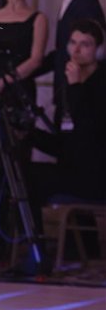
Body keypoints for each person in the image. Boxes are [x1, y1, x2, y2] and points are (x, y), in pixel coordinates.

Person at [30, 19, 106, 209]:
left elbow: (89, 135)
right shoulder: (69, 85)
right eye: (73, 43)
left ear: (99, 51)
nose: (76, 50)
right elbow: (65, 143)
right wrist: (29, 135)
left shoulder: (98, 83)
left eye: (85, 44)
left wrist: (75, 87)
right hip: (72, 169)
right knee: (18, 173)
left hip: (96, 175)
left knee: (28, 180)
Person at [40, 0, 105, 122]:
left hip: (78, 95)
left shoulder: (88, 5)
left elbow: (90, 55)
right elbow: (61, 50)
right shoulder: (74, 0)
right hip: (67, 89)